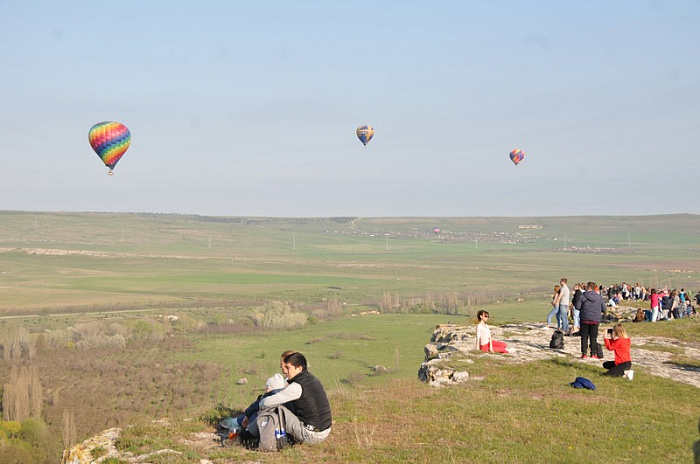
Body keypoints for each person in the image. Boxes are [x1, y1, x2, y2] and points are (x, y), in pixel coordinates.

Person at [251, 352, 332, 445]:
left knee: (275, 408)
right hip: (324, 430)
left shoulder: (297, 387)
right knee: (284, 404)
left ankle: (249, 434)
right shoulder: (312, 379)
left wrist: (261, 403)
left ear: (299, 368)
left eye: (288, 368)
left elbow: (266, 403)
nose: (285, 371)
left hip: (311, 436)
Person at [220, 373, 287, 433]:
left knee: (255, 413)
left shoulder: (269, 398)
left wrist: (246, 416)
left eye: (267, 387)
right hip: (279, 427)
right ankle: (238, 424)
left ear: (272, 388)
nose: (266, 389)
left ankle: (237, 424)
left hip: (264, 425)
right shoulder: (285, 397)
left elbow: (253, 407)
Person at [574, 281, 604, 359]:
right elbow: (604, 308)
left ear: (588, 287)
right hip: (595, 319)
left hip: (584, 318)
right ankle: (593, 354)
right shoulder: (599, 297)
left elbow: (577, 307)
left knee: (584, 337)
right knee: (593, 337)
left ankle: (584, 353)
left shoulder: (583, 296)